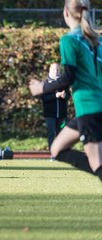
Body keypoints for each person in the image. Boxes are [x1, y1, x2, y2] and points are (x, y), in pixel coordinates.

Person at [29, 0, 102, 181]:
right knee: (57, 149)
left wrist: (41, 88)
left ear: (66, 13)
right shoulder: (97, 41)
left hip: (89, 108)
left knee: (97, 165)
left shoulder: (69, 40)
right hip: (93, 108)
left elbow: (68, 76)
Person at [40, 63, 70, 151]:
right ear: (50, 70)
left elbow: (68, 95)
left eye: (57, 69)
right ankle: (52, 152)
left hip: (62, 114)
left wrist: (65, 96)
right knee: (51, 133)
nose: (56, 71)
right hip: (50, 114)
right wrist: (55, 96)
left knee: (61, 133)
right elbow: (43, 97)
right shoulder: (45, 83)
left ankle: (61, 152)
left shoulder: (63, 82)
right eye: (54, 70)